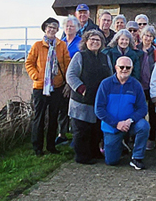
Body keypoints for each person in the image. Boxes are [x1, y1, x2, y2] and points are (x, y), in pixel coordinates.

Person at [25, 17, 71, 156]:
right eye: (49, 27)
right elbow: (29, 63)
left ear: (57, 30)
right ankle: (37, 147)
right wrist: (36, 76)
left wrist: (66, 81)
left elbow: (67, 63)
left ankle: (51, 145)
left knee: (53, 116)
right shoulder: (37, 46)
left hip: (57, 86)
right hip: (40, 87)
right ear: (45, 29)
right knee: (38, 117)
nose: (52, 29)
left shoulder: (61, 45)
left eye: (55, 27)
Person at [95, 56, 150, 170]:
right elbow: (99, 109)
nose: (124, 69)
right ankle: (119, 146)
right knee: (111, 161)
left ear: (132, 68)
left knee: (144, 126)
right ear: (116, 67)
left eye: (128, 67)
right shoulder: (105, 84)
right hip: (112, 126)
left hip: (130, 124)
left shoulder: (136, 85)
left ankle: (137, 157)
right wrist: (116, 124)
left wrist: (129, 121)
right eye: (121, 67)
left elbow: (142, 108)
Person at [66, 29, 112, 164]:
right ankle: (82, 156)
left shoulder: (105, 58)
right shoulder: (80, 56)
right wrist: (81, 88)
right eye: (92, 39)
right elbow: (71, 75)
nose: (95, 42)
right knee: (82, 130)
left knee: (96, 130)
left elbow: (109, 76)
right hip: (81, 101)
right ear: (86, 41)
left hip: (98, 100)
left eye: (98, 40)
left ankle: (94, 152)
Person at [57, 15, 82, 145]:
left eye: (72, 26)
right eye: (67, 26)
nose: (69, 28)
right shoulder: (61, 43)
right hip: (60, 79)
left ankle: (74, 134)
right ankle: (62, 133)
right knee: (62, 107)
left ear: (77, 28)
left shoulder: (80, 42)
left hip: (75, 79)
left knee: (73, 107)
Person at [137, 25, 156, 148]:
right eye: (146, 35)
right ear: (142, 36)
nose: (148, 38)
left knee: (152, 113)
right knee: (138, 111)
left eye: (150, 36)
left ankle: (151, 138)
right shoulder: (136, 49)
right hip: (138, 85)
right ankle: (137, 137)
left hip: (152, 85)